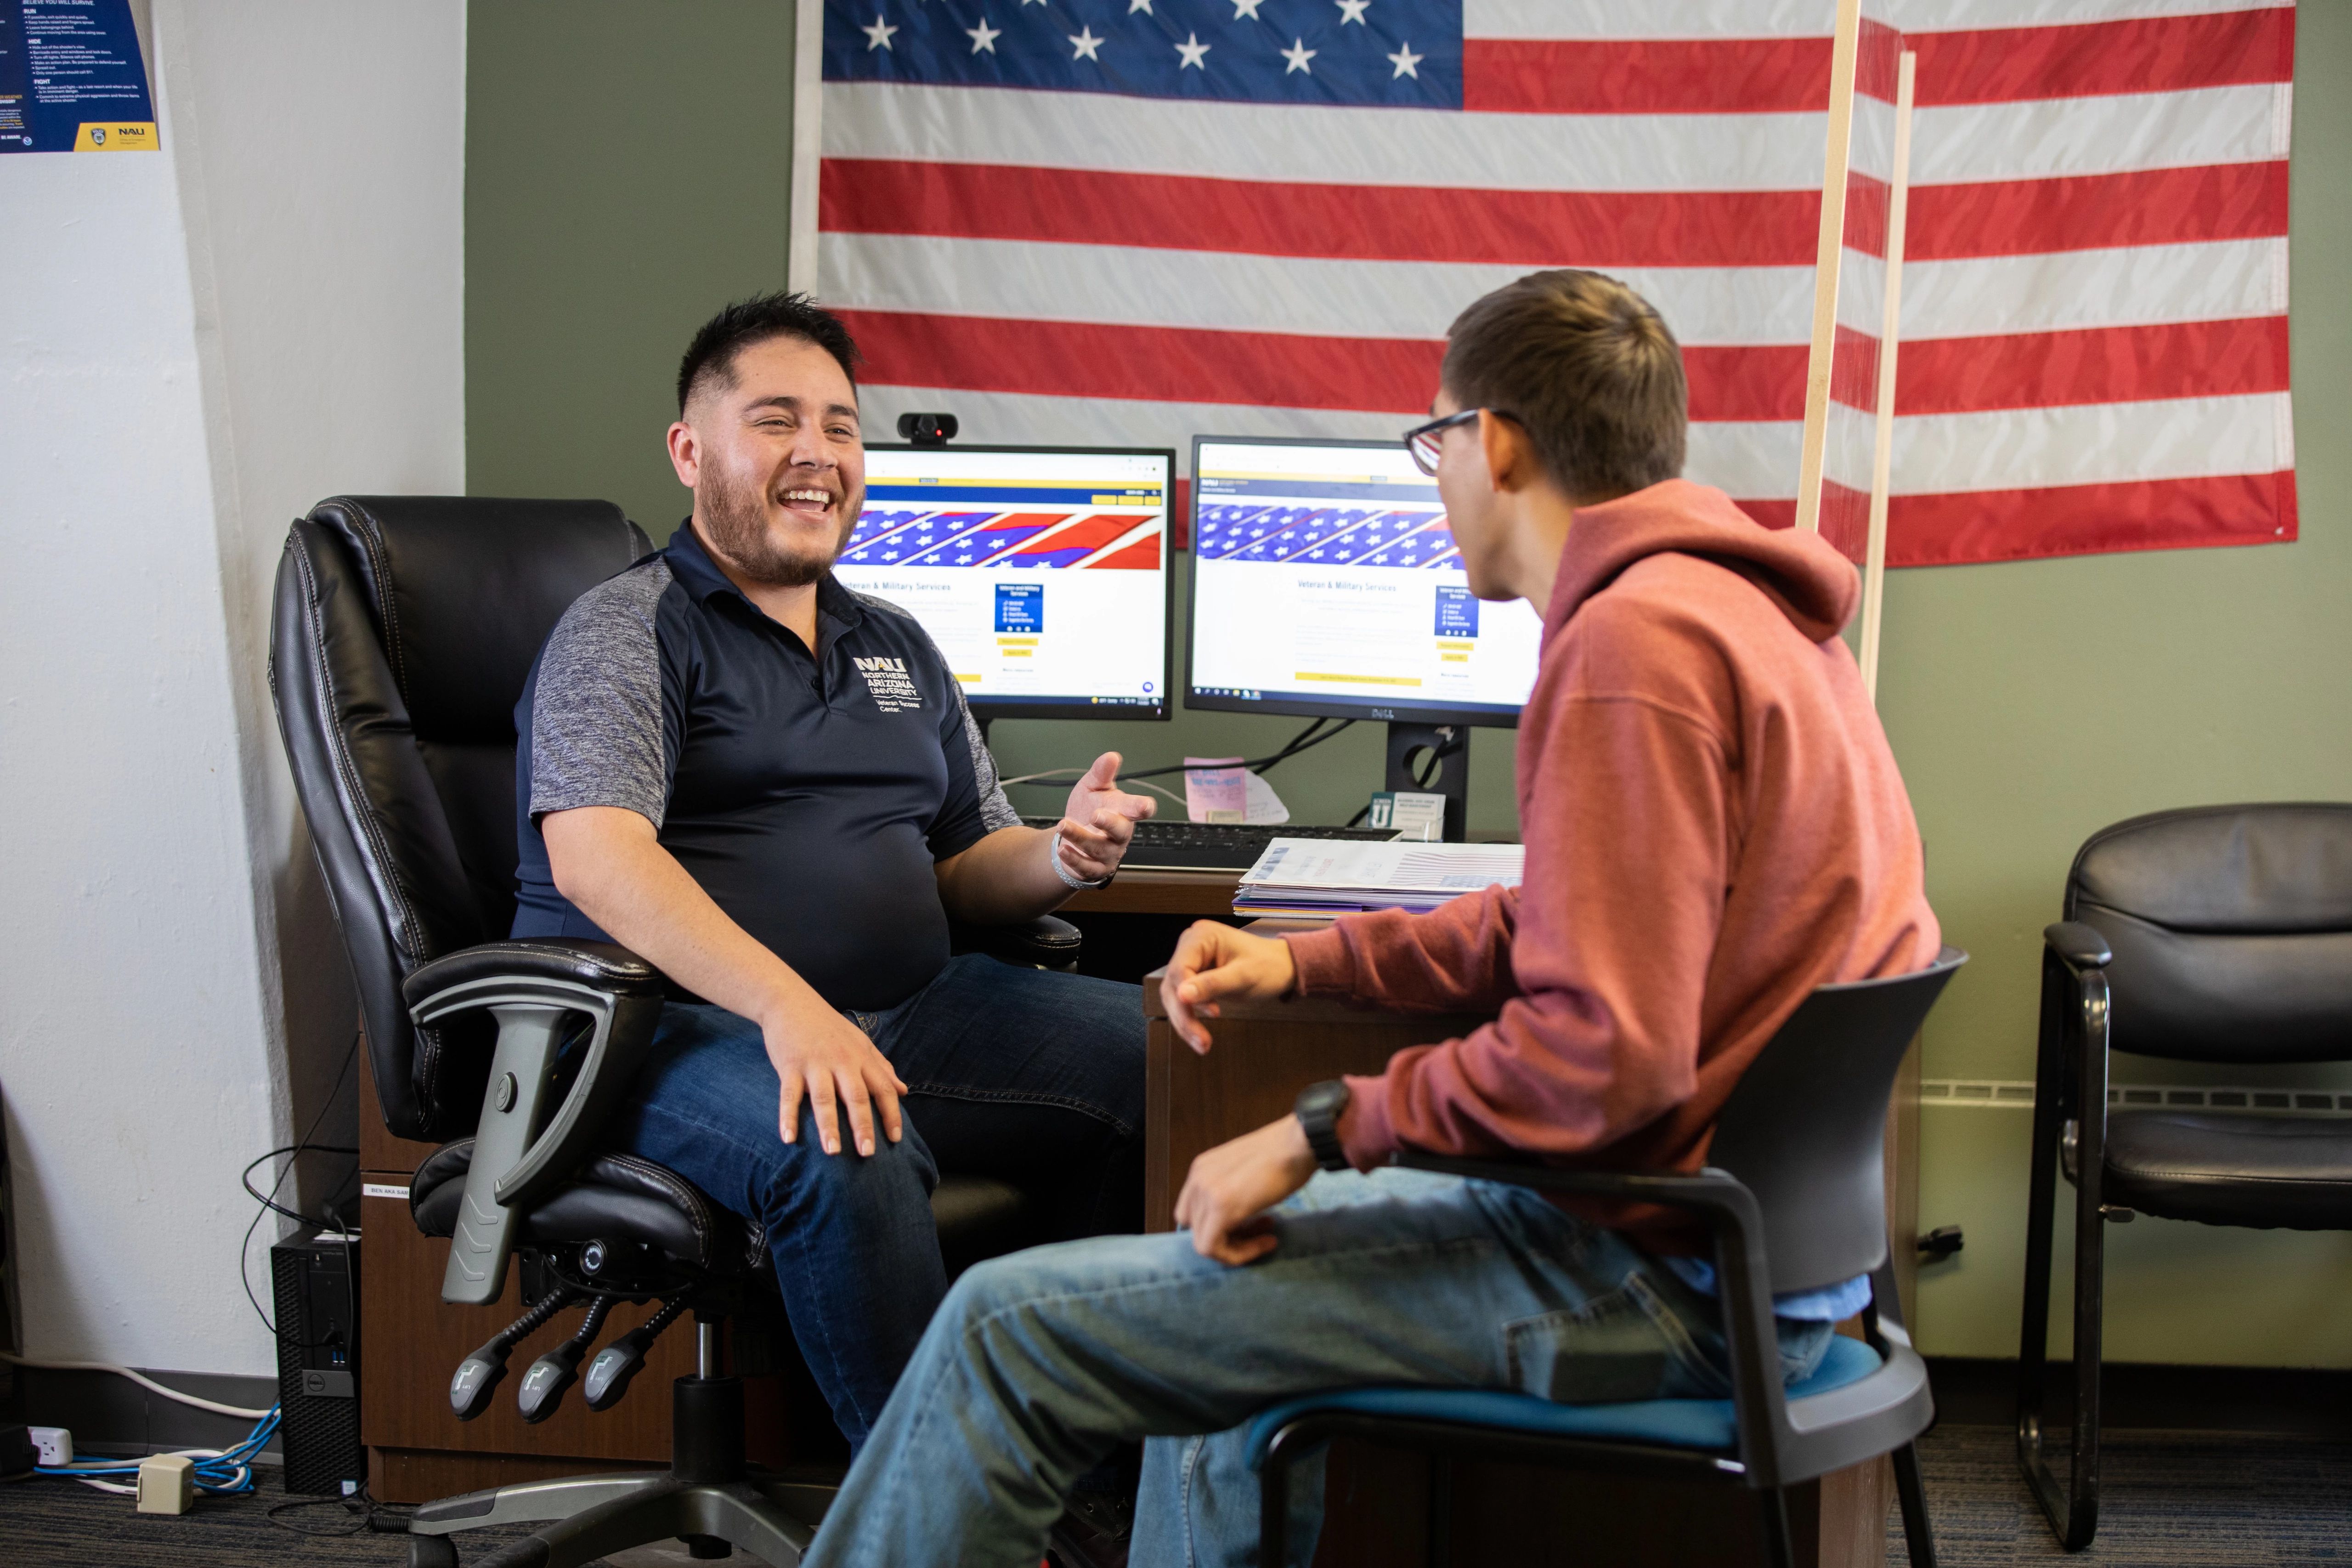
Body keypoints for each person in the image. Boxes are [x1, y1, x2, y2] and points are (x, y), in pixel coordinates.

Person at [800, 268, 1943, 1568]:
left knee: (1005, 1326)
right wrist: (1310, 961)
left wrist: (1318, 1127)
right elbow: (1560, 917)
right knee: (1208, 1267)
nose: (1435, 475)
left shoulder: (1633, 649)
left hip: (1654, 1278)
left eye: (1434, 440)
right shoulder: (1753, 615)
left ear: (1495, 441)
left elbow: (1603, 1052)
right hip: (1756, 1262)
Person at [509, 292, 1155, 1450]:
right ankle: (940, 1519)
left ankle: (1094, 1469)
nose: (817, 454)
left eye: (842, 426)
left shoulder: (897, 641)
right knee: (844, 1135)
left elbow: (965, 860)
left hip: (912, 1008)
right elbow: (599, 860)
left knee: (1180, 1061)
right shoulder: (626, 627)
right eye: (776, 421)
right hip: (669, 1032)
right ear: (690, 449)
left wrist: (1059, 858)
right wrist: (789, 1008)